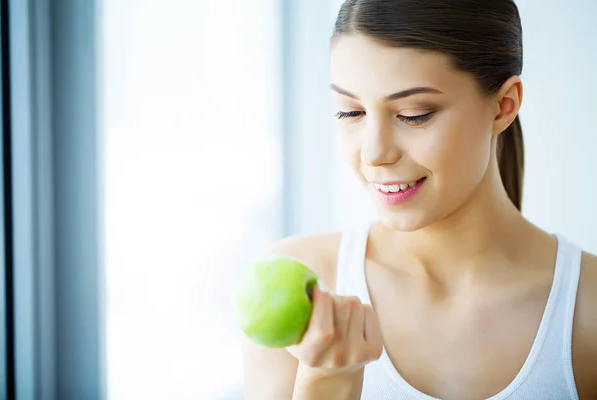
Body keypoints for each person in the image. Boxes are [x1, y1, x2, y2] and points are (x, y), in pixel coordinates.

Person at [242, 0, 597, 399]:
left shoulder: (589, 310)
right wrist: (325, 384)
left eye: (414, 114)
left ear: (504, 106)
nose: (374, 152)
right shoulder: (304, 287)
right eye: (350, 112)